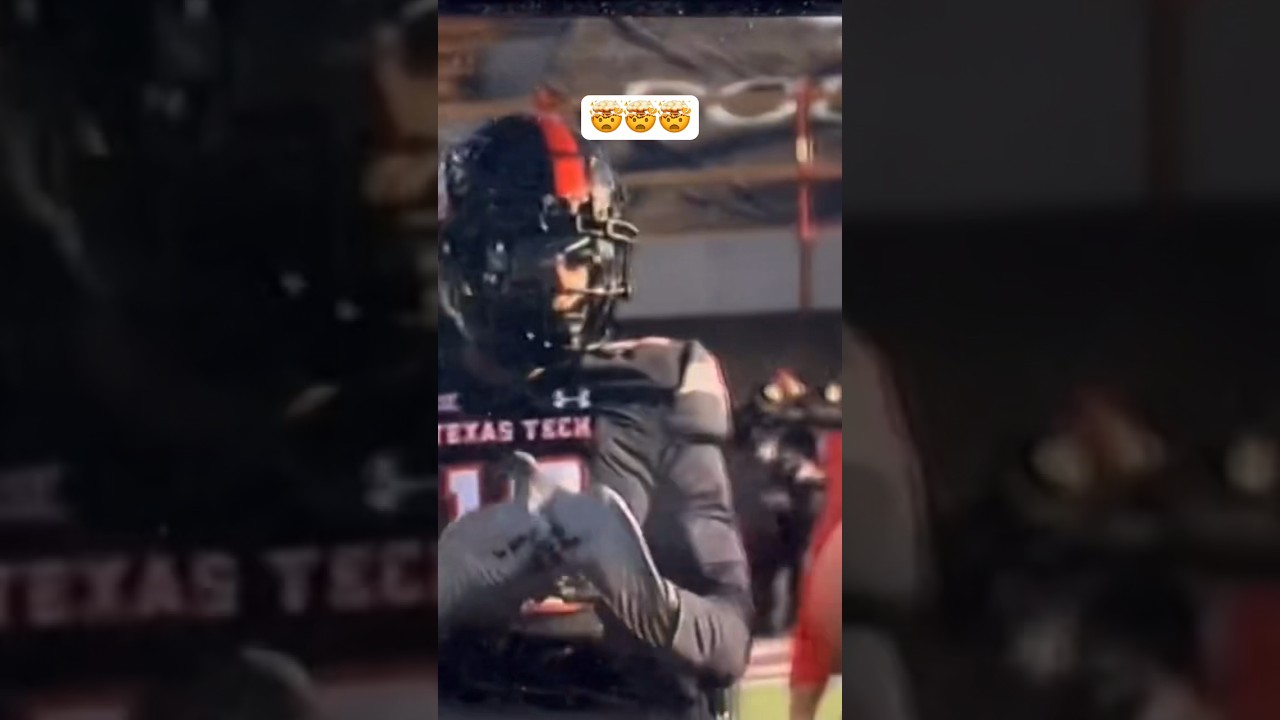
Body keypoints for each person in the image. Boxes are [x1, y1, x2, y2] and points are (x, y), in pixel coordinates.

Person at [435, 113, 753, 720]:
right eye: (533, 252)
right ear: (466, 258)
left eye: (580, 254)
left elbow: (728, 640)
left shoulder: (658, 382)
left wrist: (656, 608)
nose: (562, 279)